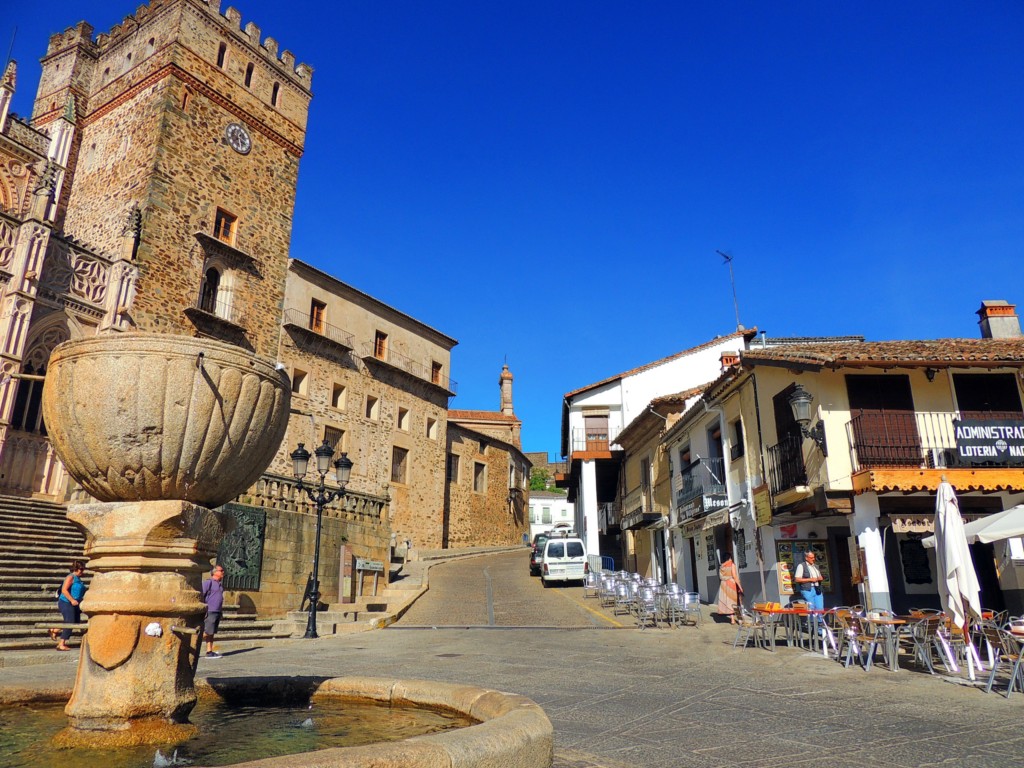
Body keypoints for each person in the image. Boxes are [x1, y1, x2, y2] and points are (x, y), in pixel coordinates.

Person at [51, 560, 86, 651]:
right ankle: (61, 644)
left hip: (75, 603)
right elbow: (64, 590)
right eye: (81, 569)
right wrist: (72, 600)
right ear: (76, 569)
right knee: (70, 622)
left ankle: (54, 630)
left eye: (83, 569)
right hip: (66, 602)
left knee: (75, 622)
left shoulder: (79, 579)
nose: (82, 571)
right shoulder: (70, 577)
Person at [794, 552, 825, 634]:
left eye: (813, 557)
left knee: (819, 608)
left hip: (817, 589)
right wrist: (810, 579)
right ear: (806, 558)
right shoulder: (801, 566)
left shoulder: (815, 566)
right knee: (812, 608)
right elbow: (797, 579)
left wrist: (820, 578)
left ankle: (820, 629)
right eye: (811, 558)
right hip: (808, 589)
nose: (813, 559)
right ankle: (812, 627)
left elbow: (820, 576)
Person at [200, 564, 225, 658]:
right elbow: (201, 595)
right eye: (221, 570)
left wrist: (220, 611)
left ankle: (209, 651)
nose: (223, 572)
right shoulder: (208, 583)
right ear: (215, 572)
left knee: (211, 632)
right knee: (207, 631)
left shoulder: (220, 585)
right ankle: (189, 645)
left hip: (217, 611)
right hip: (210, 610)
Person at [716, 555, 742, 624]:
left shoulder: (722, 566)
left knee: (729, 603)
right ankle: (739, 619)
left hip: (723, 585)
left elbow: (721, 577)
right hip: (731, 584)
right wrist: (740, 586)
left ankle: (732, 620)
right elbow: (734, 576)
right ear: (729, 558)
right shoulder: (731, 564)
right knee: (735, 602)